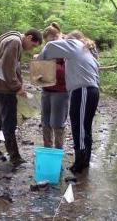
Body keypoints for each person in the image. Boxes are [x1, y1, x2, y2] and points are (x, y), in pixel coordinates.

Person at [38, 30, 99, 174]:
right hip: (89, 90)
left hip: (83, 90)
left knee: (80, 128)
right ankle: (84, 163)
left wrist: (40, 59)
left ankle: (80, 162)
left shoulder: (75, 44)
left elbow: (49, 47)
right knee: (84, 128)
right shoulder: (86, 50)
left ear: (71, 40)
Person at [0, 29, 42, 167]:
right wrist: (17, 87)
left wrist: (18, 86)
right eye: (33, 45)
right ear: (28, 37)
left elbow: (10, 67)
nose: (31, 49)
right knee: (9, 124)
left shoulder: (11, 40)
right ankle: (15, 158)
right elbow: (7, 68)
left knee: (0, 121)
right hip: (5, 90)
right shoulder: (15, 42)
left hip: (0, 88)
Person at [40, 23, 69, 149]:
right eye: (46, 42)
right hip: (46, 89)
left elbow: (67, 70)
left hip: (61, 91)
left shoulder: (66, 46)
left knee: (57, 123)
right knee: (45, 122)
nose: (48, 45)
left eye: (50, 41)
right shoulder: (47, 48)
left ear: (56, 36)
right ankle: (47, 149)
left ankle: (58, 150)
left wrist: (51, 67)